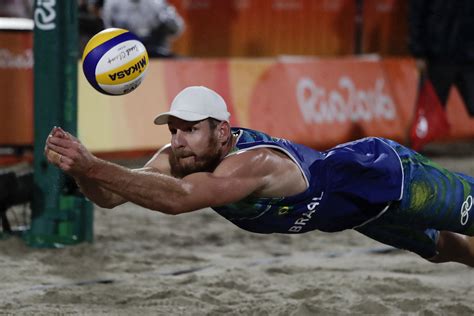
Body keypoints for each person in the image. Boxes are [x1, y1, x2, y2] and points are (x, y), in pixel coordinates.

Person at [45, 86, 474, 267]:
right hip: (361, 215)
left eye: (190, 129)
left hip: (381, 173)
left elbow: (178, 201)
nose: (178, 140)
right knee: (450, 251)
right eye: (173, 129)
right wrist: (80, 169)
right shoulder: (180, 157)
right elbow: (111, 197)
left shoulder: (253, 162)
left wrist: (93, 164)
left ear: (222, 132)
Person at [408, 0, 474, 117]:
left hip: (468, 56)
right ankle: (423, 133)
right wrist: (418, 51)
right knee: (432, 111)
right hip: (438, 55)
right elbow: (416, 15)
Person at [102, 0, 184, 58]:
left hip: (155, 49)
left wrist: (165, 20)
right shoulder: (112, 2)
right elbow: (107, 30)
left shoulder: (157, 2)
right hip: (125, 51)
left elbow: (177, 28)